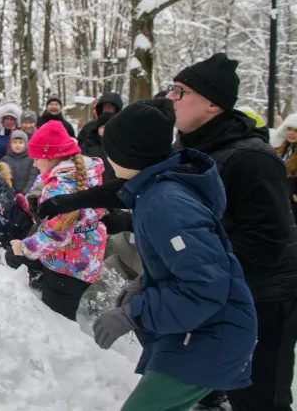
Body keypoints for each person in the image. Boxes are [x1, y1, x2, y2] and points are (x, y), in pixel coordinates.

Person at [38, 53, 297, 411]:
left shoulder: (252, 158)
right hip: (201, 294)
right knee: (205, 393)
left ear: (211, 102)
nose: (171, 96)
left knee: (259, 400)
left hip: (262, 297)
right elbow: (139, 185)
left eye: (181, 90)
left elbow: (268, 241)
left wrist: (162, 283)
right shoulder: (187, 148)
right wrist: (72, 203)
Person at [90, 99, 258, 411]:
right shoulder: (154, 193)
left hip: (209, 335)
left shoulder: (165, 204)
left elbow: (204, 286)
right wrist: (144, 281)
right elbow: (187, 262)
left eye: (110, 150)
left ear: (130, 154)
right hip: (192, 330)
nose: (108, 159)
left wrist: (133, 313)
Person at [7, 120, 106, 321]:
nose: (34, 163)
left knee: (58, 322)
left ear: (52, 157)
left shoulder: (60, 188)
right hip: (85, 254)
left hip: (69, 267)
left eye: (37, 159)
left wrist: (23, 248)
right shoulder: (84, 172)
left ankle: (74, 349)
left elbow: (55, 235)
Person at [81, 112, 118, 184]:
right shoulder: (88, 145)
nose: (106, 130)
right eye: (103, 127)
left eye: (109, 127)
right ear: (98, 129)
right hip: (94, 187)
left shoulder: (120, 146)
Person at [275, 114, 297, 223]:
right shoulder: (283, 147)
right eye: (289, 129)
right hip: (282, 195)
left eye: (296, 131)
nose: (291, 133)